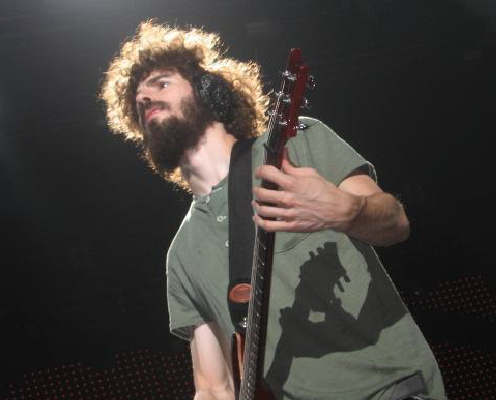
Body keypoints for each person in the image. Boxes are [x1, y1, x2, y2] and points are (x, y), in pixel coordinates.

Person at [100, 20, 447, 400]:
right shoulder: (182, 255)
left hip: (388, 390)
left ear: (208, 91)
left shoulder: (294, 147)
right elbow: (213, 387)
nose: (145, 97)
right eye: (138, 97)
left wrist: (348, 210)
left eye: (161, 83)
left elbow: (396, 222)